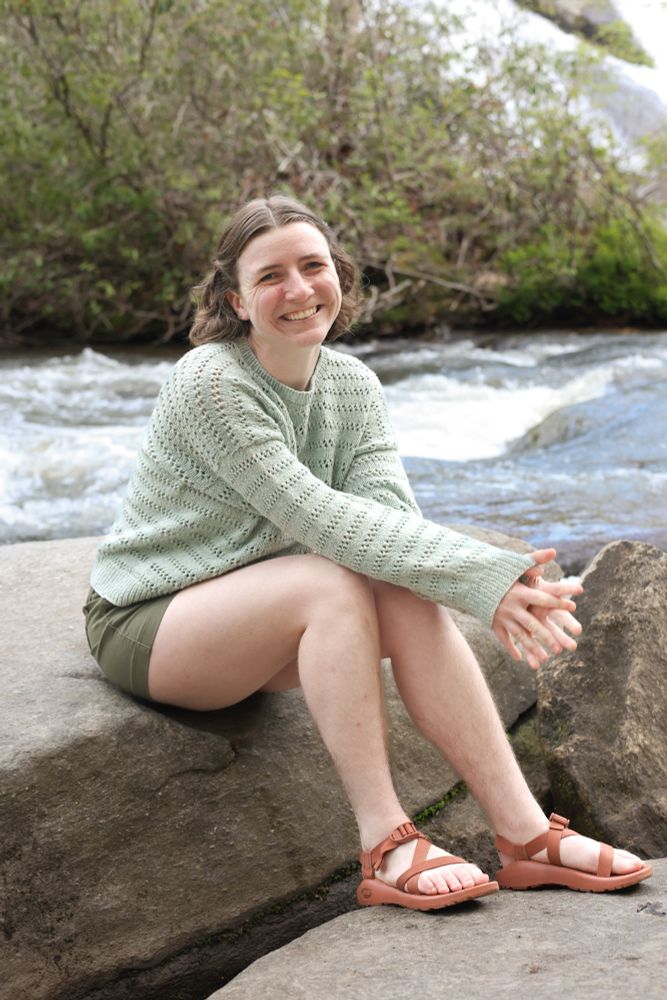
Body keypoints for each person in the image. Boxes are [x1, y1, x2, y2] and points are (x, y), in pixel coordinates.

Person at [84, 194, 652, 910]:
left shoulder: (352, 386)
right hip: (153, 620)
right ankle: (385, 841)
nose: (297, 290)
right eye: (269, 277)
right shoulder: (211, 382)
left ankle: (525, 836)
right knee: (328, 582)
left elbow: (387, 524)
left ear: (339, 278)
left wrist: (482, 581)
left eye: (312, 266)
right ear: (235, 298)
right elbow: (313, 515)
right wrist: (486, 578)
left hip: (258, 615)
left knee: (397, 585)